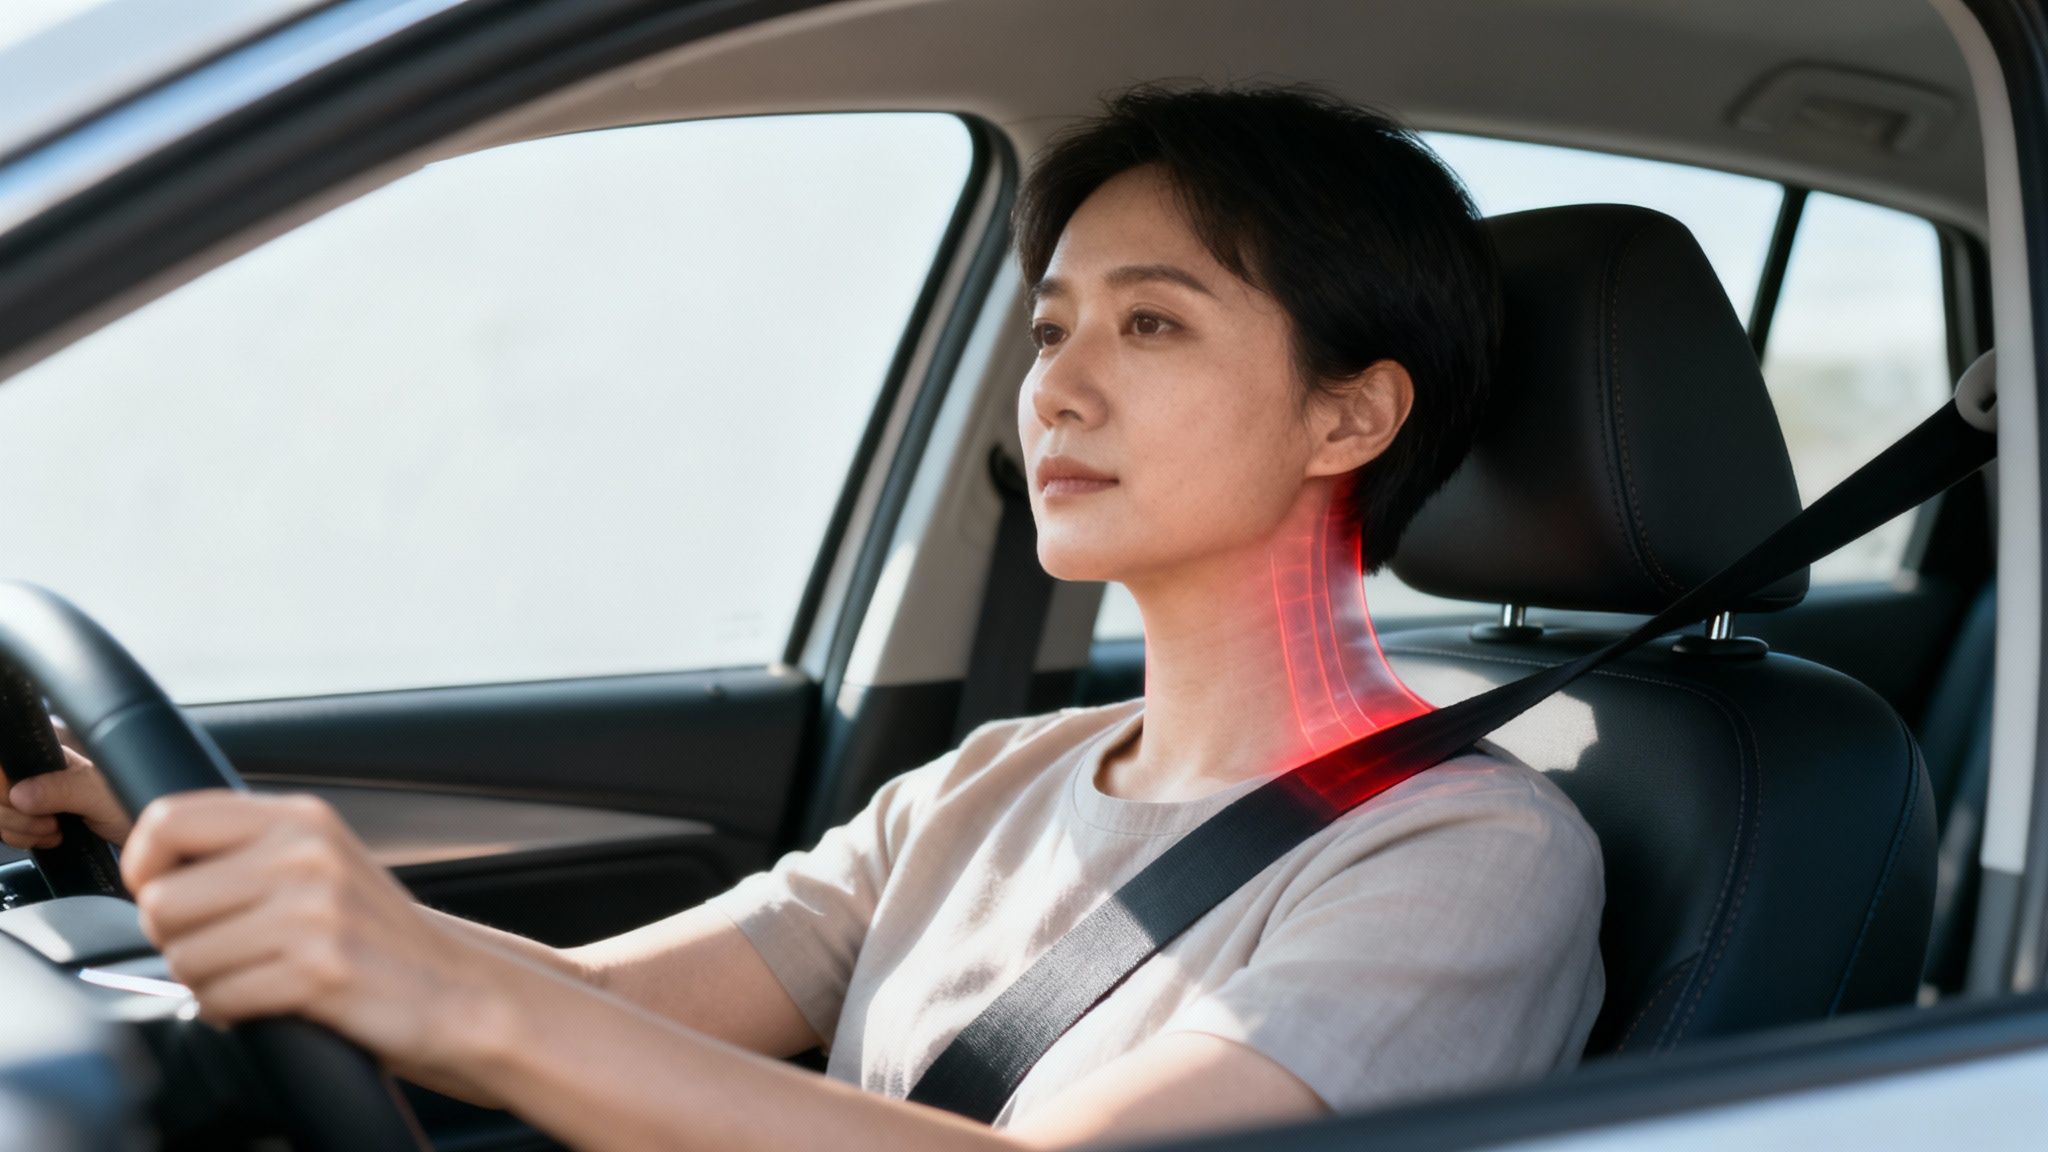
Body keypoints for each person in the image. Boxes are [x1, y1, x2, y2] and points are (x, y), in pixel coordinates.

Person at [0, 84, 1604, 1150]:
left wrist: (440, 992)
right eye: (1052, 328)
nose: (1060, 384)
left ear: (1347, 419)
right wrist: (198, 851)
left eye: (1154, 323)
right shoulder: (994, 781)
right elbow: (619, 1009)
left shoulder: (1468, 857)